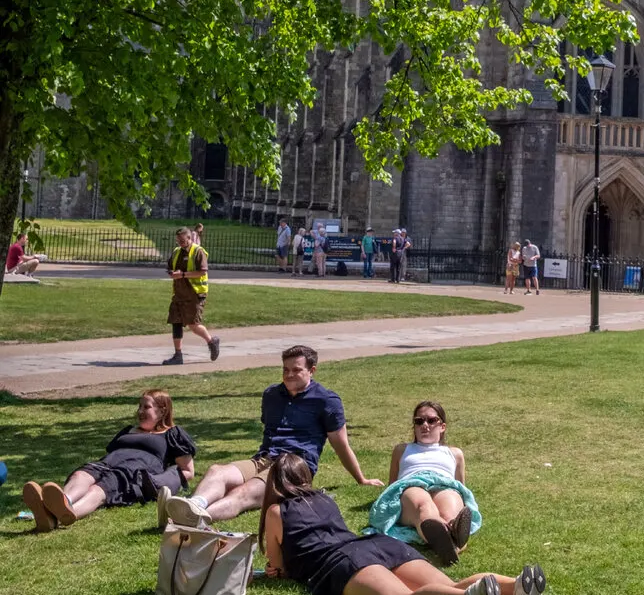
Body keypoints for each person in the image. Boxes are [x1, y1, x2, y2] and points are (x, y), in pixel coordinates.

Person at [260, 453, 548, 595]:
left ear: (275, 482)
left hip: (342, 563)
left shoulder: (276, 511)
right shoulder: (324, 500)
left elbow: (280, 568)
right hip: (378, 544)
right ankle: (515, 589)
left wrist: (276, 570)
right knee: (449, 587)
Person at [163, 342, 381, 526]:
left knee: (243, 493)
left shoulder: (327, 401)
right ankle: (194, 505)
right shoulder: (271, 395)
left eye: (296, 370)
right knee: (217, 471)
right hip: (264, 457)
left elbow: (341, 445)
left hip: (295, 466)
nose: (289, 374)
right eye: (285, 369)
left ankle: (189, 520)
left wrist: (361, 479)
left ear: (311, 371)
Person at [22, 390, 195, 530]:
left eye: (146, 407)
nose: (140, 411)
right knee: (81, 475)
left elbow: (187, 471)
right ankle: (62, 501)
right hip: (106, 464)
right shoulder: (129, 430)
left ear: (162, 411)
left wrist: (160, 482)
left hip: (132, 473)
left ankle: (59, 516)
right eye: (139, 406)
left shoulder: (172, 434)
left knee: (99, 490)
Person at [364, 400, 480, 567]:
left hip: (444, 485)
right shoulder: (402, 450)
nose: (425, 425)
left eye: (431, 420)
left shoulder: (455, 453)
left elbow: (460, 487)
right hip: (412, 484)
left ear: (443, 426)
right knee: (424, 505)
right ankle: (449, 541)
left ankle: (449, 535)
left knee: (451, 509)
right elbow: (392, 486)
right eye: (419, 421)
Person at [165, 226, 220, 365]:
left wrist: (182, 274)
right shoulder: (177, 251)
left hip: (195, 293)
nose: (180, 243)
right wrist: (172, 273)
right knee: (175, 322)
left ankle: (212, 341)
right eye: (178, 241)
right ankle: (178, 355)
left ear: (190, 238)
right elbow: (170, 266)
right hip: (179, 293)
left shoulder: (198, 252)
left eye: (183, 241)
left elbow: (202, 271)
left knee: (193, 324)